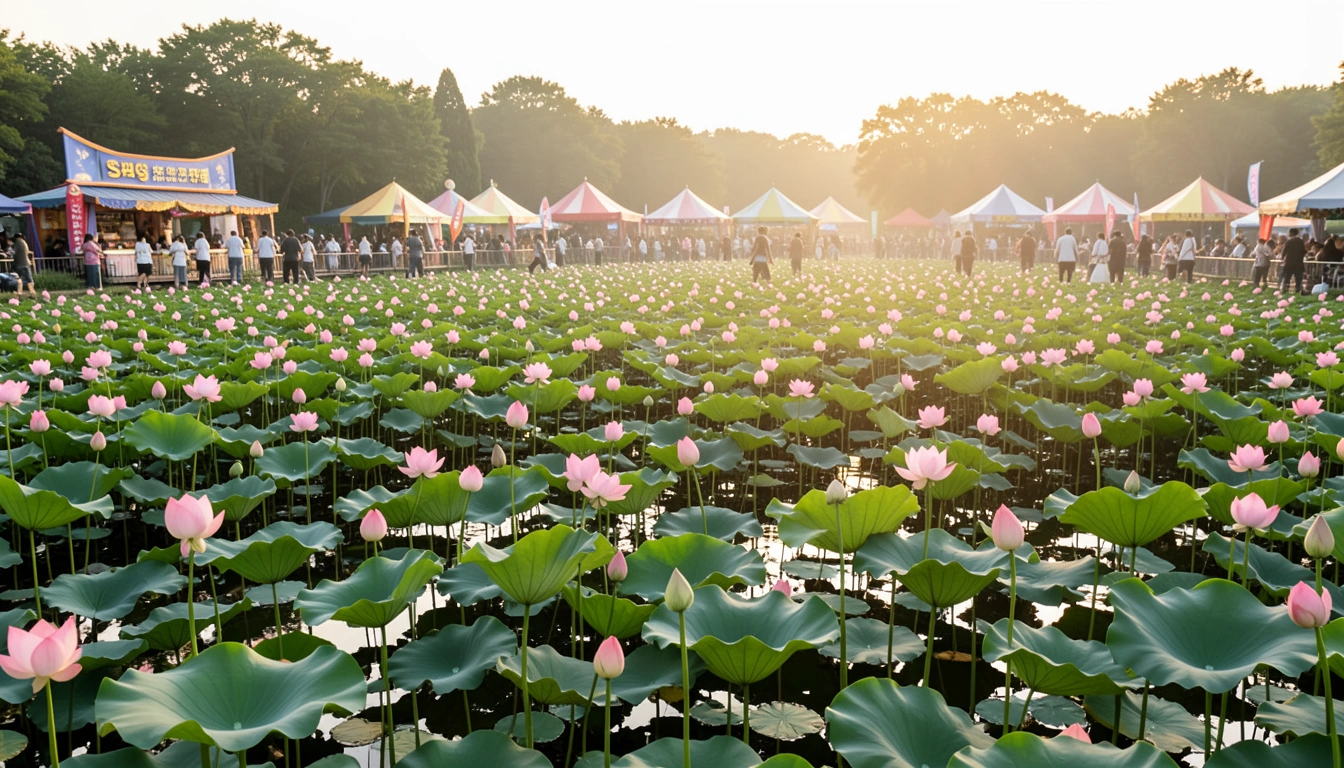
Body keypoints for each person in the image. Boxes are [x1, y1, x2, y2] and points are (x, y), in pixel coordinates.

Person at [1280, 228, 1307, 293]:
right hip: (1299, 263)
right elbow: (1303, 251)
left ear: (1291, 233)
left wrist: (1282, 259)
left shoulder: (1288, 241)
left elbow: (1284, 252)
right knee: (1298, 279)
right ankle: (1298, 290)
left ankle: (1285, 290)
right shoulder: (1300, 241)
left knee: (1287, 278)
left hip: (1289, 263)